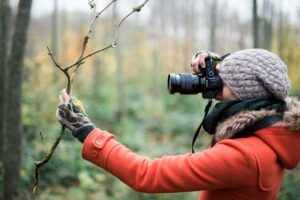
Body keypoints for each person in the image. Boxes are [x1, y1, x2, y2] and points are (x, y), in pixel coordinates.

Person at [56, 49, 300, 200]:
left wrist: (87, 132)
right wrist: (216, 61)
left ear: (246, 96)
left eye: (223, 84)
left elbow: (148, 175)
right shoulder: (272, 135)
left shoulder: (244, 156)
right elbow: (252, 74)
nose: (215, 93)